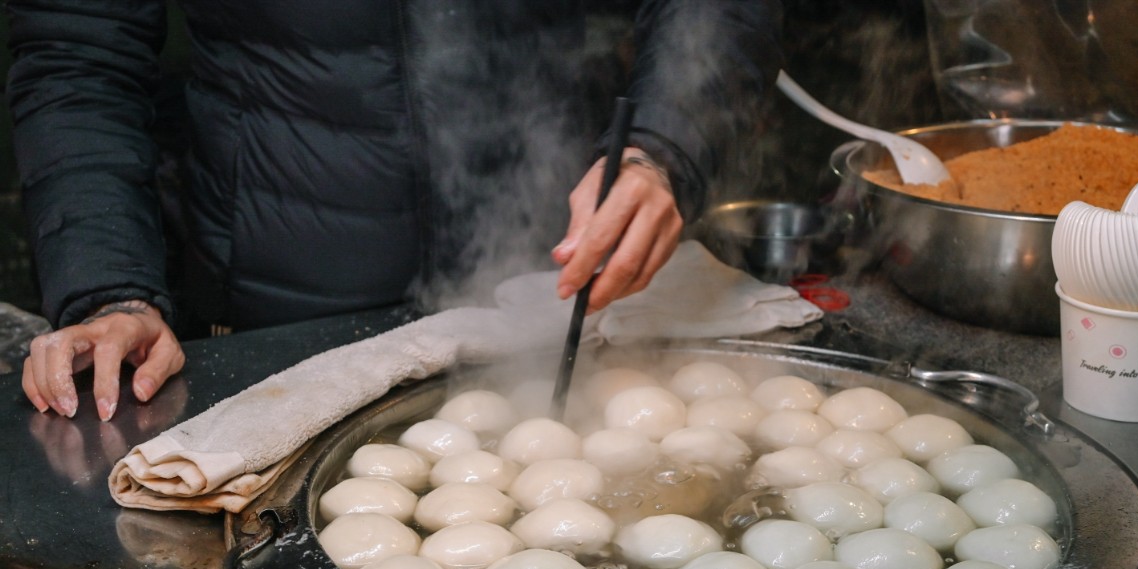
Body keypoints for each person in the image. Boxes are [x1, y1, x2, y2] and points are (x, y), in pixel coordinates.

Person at [8, 1, 783, 421]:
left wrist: (662, 147)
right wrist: (109, 287)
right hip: (276, 318)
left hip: (545, 292)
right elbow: (78, 53)